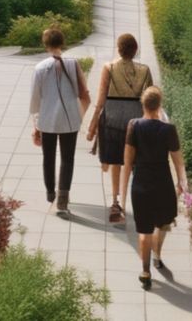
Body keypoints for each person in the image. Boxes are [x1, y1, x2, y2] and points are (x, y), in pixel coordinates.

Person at [121, 86, 187, 291]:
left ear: (143, 103)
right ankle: (157, 256)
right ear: (159, 104)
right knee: (162, 224)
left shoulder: (134, 125)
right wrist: (182, 183)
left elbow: (127, 161)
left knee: (144, 230)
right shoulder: (169, 130)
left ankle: (145, 271)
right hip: (163, 184)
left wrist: (121, 197)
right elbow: (178, 162)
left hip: (141, 184)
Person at [86, 33, 152, 224]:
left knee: (116, 161)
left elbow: (100, 101)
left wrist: (92, 126)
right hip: (137, 119)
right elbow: (149, 99)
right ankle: (138, 203)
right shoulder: (145, 70)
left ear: (118, 49)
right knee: (135, 163)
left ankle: (116, 203)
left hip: (113, 119)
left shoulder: (109, 67)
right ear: (135, 50)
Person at [30, 26, 91, 216]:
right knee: (67, 158)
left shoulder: (39, 68)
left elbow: (35, 99)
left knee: (48, 157)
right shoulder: (73, 64)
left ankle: (50, 193)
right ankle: (63, 200)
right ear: (62, 42)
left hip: (47, 119)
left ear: (45, 44)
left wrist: (36, 125)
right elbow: (85, 94)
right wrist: (79, 116)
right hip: (69, 119)